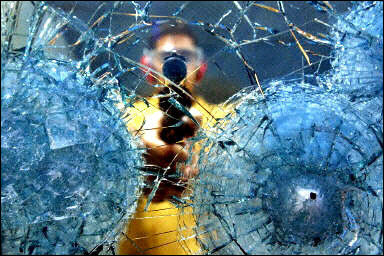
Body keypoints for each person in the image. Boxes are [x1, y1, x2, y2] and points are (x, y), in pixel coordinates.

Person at [117, 20, 227, 255]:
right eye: (165, 56)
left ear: (200, 67)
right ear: (148, 66)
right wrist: (133, 157)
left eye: (185, 56)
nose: (175, 65)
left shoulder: (225, 120)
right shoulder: (125, 119)